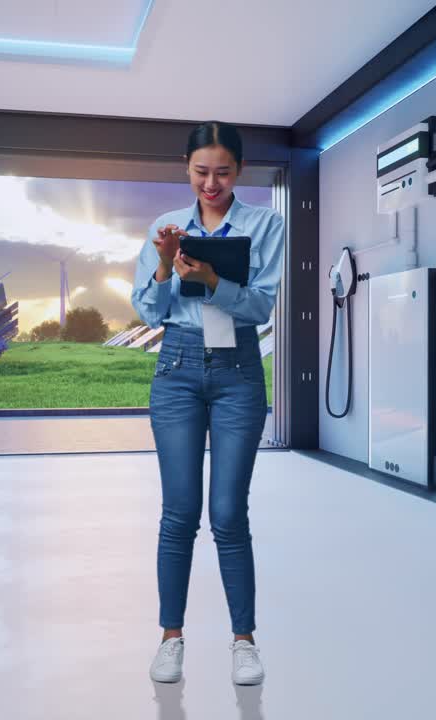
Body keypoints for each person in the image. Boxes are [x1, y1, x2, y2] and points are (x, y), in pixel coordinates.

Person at [130, 120, 285, 686]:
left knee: (227, 514)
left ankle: (244, 641)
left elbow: (261, 307)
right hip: (176, 367)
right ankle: (171, 638)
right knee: (179, 514)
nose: (211, 183)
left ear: (239, 171)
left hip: (238, 369)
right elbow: (149, 312)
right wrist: (168, 264)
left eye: (222, 172)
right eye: (201, 172)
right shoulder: (163, 227)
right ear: (186, 169)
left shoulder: (265, 224)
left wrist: (216, 279)